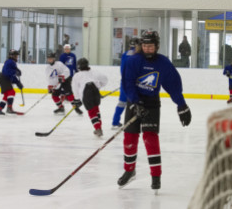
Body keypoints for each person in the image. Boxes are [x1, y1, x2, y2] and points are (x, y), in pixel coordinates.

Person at [118, 30, 192, 192]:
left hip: (151, 104)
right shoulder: (133, 61)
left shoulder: (163, 63)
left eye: (151, 46)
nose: (148, 49)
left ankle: (156, 175)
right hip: (135, 102)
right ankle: (129, 171)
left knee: (150, 138)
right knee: (130, 137)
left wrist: (181, 105)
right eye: (145, 46)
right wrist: (135, 103)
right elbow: (128, 83)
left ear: (157, 46)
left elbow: (173, 85)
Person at [72, 58, 108, 137]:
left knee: (92, 112)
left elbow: (75, 88)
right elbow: (105, 79)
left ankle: (98, 128)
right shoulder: (94, 72)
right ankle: (99, 127)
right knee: (96, 110)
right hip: (95, 91)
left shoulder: (77, 75)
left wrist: (77, 99)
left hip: (86, 93)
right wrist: (98, 87)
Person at [111, 37, 140, 129]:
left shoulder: (124, 54)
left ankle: (115, 122)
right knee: (137, 103)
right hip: (135, 83)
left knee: (122, 102)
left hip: (124, 82)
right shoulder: (138, 55)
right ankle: (136, 122)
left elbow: (122, 69)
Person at [0, 49, 24, 115]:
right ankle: (9, 108)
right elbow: (7, 73)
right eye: (15, 56)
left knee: (7, 94)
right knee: (11, 92)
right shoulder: (10, 62)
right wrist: (15, 72)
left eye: (17, 56)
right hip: (4, 79)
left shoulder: (11, 62)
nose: (17, 57)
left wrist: (17, 82)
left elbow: (11, 75)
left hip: (4, 79)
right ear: (11, 56)